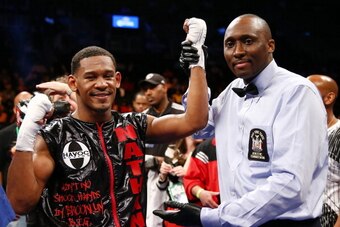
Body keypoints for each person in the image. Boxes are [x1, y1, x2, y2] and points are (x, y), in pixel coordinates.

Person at [7, 17, 208, 227]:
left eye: (108, 76)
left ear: (118, 80)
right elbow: (19, 204)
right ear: (73, 83)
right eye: (91, 77)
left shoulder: (135, 125)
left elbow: (195, 120)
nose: (102, 84)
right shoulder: (54, 136)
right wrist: (27, 131)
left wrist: (197, 61)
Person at [154, 14, 328, 227]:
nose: (237, 52)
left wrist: (208, 217)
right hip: (236, 221)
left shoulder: (297, 93)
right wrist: (196, 67)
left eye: (248, 41)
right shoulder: (232, 92)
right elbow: (199, 127)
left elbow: (291, 185)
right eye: (230, 44)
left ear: (270, 45)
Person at [139, 73, 186, 227]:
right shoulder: (141, 118)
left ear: (165, 87)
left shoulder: (182, 112)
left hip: (178, 179)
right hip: (150, 178)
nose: (148, 92)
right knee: (151, 221)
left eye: (152, 87)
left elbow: (195, 147)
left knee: (179, 222)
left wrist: (183, 163)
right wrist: (152, 161)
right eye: (146, 89)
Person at [307, 74, 340, 227]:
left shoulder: (338, 133)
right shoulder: (295, 133)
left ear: (329, 98)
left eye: (308, 93)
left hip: (329, 220)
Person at [0, 91, 33, 227]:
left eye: (31, 103)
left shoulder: (47, 131)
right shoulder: (3, 134)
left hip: (38, 199)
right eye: (23, 104)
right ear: (15, 109)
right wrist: (5, 203)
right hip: (13, 203)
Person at [183, 137, 219, 208]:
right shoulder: (204, 150)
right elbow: (191, 180)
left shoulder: (245, 146)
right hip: (214, 209)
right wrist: (200, 193)